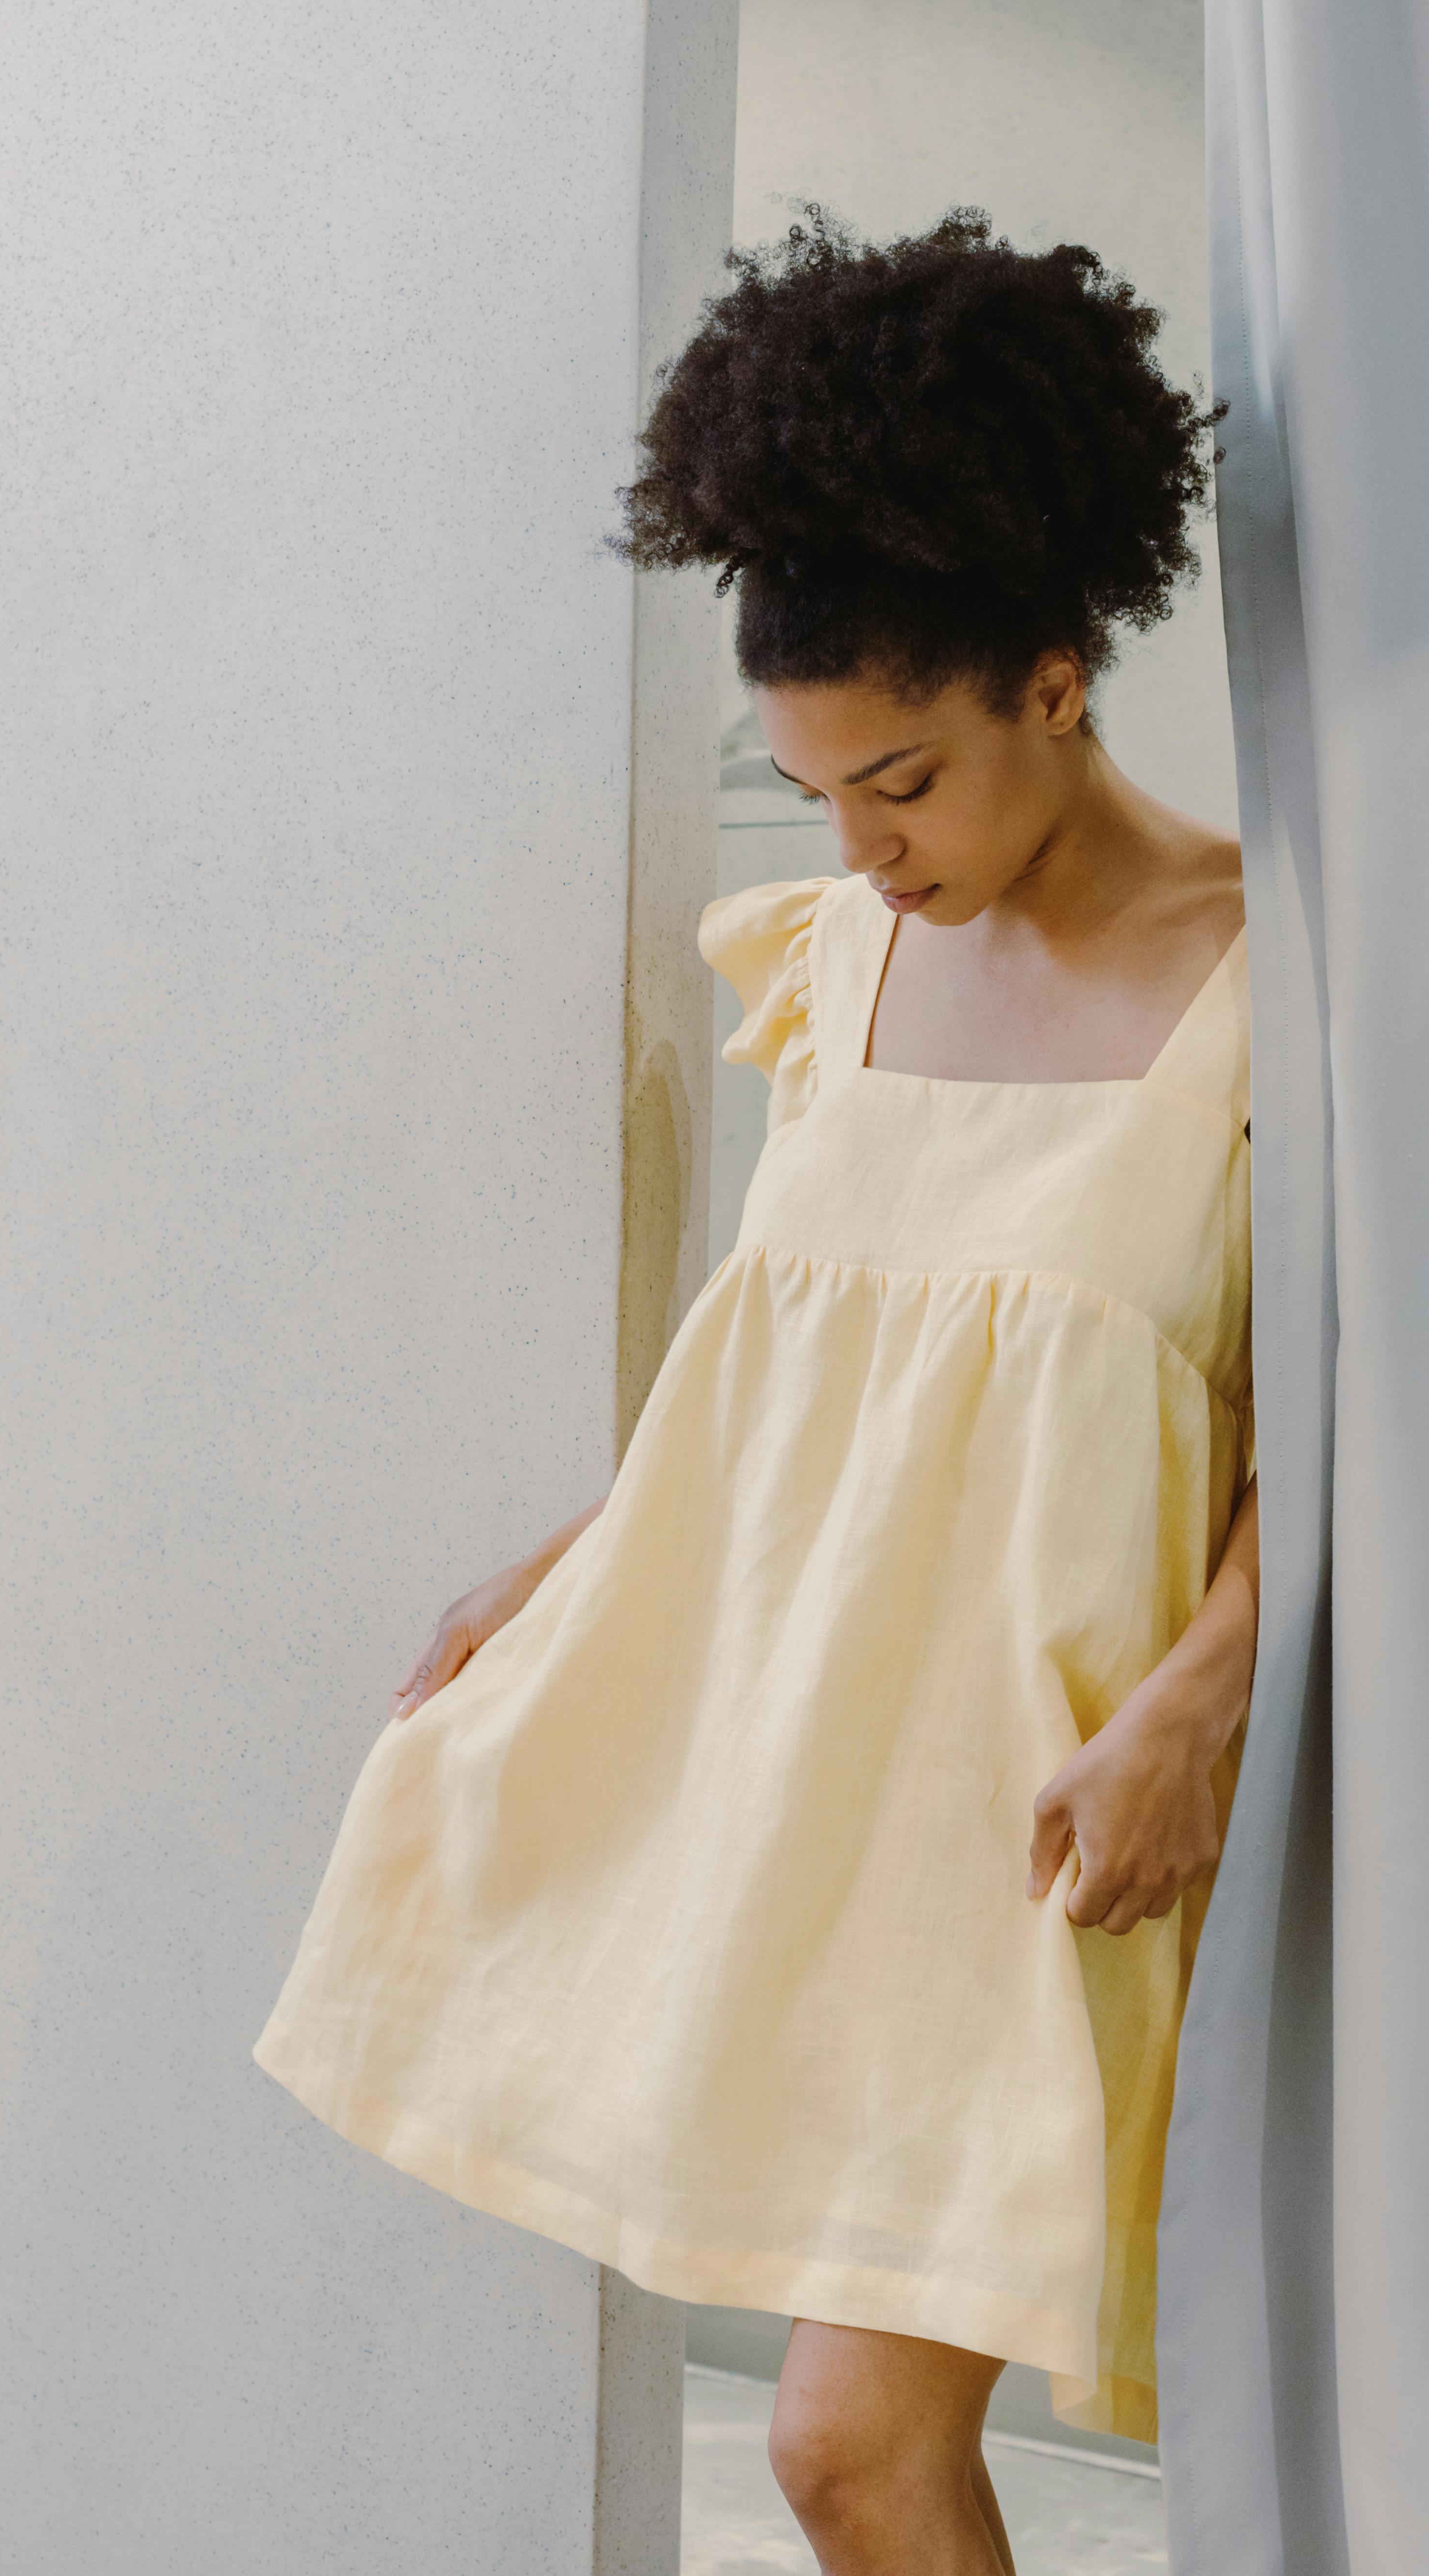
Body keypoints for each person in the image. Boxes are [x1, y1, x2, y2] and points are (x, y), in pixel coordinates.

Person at [256, 211, 1255, 2576]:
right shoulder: (830, 958)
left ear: (1053, 680)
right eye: (811, 789)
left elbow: (1343, 1436)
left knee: (839, 2442)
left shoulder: (1271, 980)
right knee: (840, 2441)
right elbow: (798, 1392)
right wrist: (573, 1566)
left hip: (1045, 1801)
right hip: (814, 1758)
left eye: (895, 777)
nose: (858, 847)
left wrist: (1202, 1701)